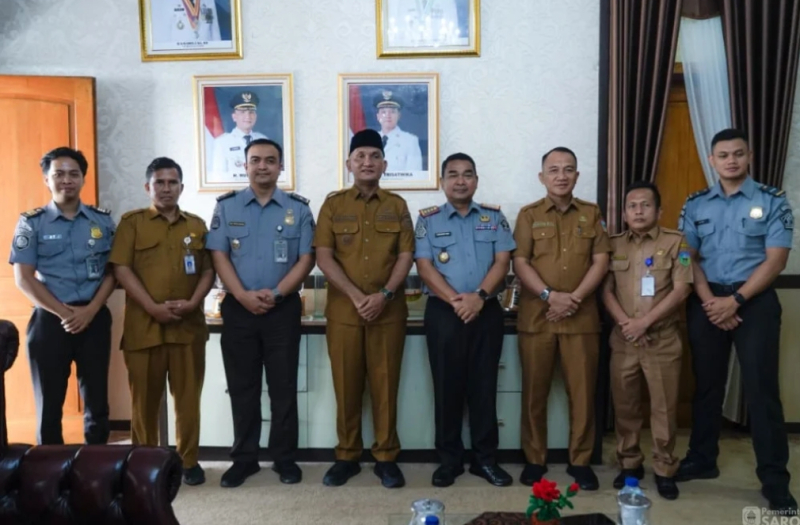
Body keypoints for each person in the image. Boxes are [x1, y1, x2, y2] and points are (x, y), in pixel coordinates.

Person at [676, 128, 797, 512]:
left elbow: (777, 260)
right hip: (708, 299)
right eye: (724, 155)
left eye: (738, 154)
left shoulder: (772, 200)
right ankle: (702, 459)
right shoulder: (695, 204)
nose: (731, 160)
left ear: (749, 157)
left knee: (761, 390)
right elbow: (685, 256)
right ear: (712, 161)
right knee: (706, 386)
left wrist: (737, 300)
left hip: (754, 301)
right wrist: (710, 300)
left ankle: (775, 479)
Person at [206, 138, 315, 488]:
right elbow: (218, 255)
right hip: (238, 309)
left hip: (282, 310)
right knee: (243, 388)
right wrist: (242, 295)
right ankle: (244, 459)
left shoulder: (298, 209)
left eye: (270, 160)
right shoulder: (227, 207)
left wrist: (278, 293)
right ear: (245, 165)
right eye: (256, 160)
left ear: (281, 166)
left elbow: (306, 259)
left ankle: (284, 458)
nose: (263, 166)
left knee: (283, 387)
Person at [314, 128, 414, 489]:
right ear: (349, 164)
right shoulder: (333, 205)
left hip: (388, 313)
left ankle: (386, 457)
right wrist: (357, 297)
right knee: (346, 386)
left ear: (384, 164)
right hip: (345, 314)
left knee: (386, 387)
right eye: (360, 156)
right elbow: (324, 256)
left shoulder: (397, 206)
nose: (367, 162)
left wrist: (384, 294)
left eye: (375, 156)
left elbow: (406, 255)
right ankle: (347, 456)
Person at [109, 157, 215, 486]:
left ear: (182, 187)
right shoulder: (132, 223)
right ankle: (144, 464)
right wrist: (152, 307)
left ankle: (188, 462)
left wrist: (194, 303)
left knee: (188, 402)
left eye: (172, 183)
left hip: (187, 328)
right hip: (145, 329)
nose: (166, 188)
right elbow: (121, 269)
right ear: (148, 187)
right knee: (144, 404)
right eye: (159, 183)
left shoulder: (196, 226)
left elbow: (209, 270)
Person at [512, 146, 610, 490]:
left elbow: (601, 260)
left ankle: (580, 461)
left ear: (577, 175)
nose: (561, 176)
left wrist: (575, 298)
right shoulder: (528, 215)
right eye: (553, 170)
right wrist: (549, 296)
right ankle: (534, 459)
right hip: (537, 318)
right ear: (542, 177)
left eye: (568, 169)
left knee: (582, 395)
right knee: (533, 393)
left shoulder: (591, 213)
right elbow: (520, 261)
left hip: (581, 320)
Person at [414, 152, 515, 487]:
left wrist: (479, 297)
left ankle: (485, 460)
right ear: (442, 182)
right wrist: (457, 301)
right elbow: (425, 267)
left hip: (486, 311)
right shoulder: (428, 220)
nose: (461, 181)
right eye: (453, 174)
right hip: (444, 313)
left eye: (467, 174)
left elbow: (502, 262)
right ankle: (449, 461)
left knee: (484, 387)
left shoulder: (494, 217)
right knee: (446, 388)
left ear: (476, 180)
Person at [9, 147, 116, 445]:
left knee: (97, 398)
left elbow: (114, 272)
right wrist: (65, 313)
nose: (66, 180)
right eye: (59, 174)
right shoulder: (32, 222)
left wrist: (90, 310)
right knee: (49, 401)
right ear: (46, 179)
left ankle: (97, 464)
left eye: (73, 174)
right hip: (50, 320)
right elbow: (24, 278)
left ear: (83, 178)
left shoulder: (102, 222)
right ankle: (49, 467)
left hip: (94, 317)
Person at [601, 181, 692, 500]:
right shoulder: (613, 244)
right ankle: (629, 464)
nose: (638, 211)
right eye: (632, 206)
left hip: (661, 340)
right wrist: (627, 324)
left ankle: (665, 468)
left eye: (645, 205)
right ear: (625, 213)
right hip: (624, 339)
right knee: (625, 406)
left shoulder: (676, 242)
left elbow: (682, 289)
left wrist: (644, 323)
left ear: (659, 210)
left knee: (664, 409)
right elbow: (606, 290)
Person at [211, 91, 268, 180]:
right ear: (234, 117)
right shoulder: (222, 143)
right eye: (242, 112)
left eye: (251, 112)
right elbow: (218, 176)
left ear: (255, 116)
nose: (248, 116)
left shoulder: (264, 140)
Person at [373, 90, 423, 173]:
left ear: (399, 115)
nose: (388, 115)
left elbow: (415, 174)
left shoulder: (410, 141)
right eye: (383, 112)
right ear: (378, 116)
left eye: (392, 112)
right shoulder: (371, 140)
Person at [386, 0, 462, 47]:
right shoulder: (404, 2)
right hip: (411, 54)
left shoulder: (447, 2)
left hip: (439, 54)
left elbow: (453, 36)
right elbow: (400, 34)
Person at [150, 0, 222, 47]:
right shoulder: (164, 2)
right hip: (179, 57)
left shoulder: (209, 1)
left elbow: (215, 33)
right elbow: (162, 38)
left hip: (205, 55)